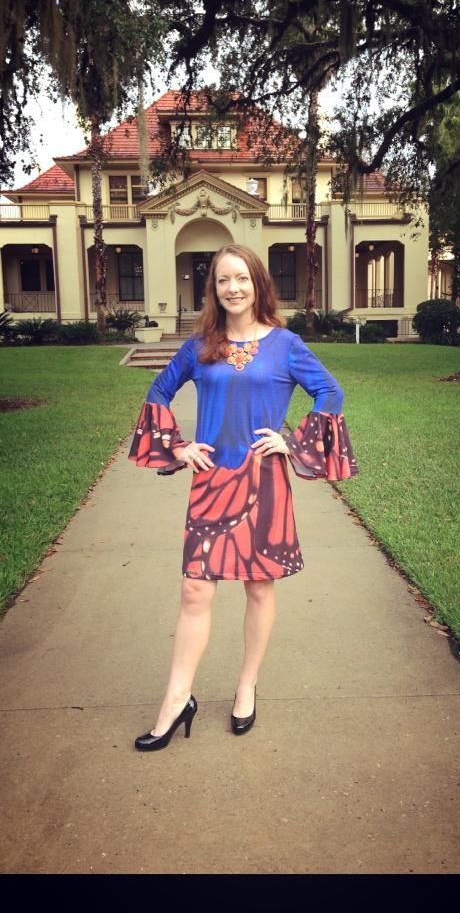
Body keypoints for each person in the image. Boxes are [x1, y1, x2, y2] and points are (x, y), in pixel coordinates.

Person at [128, 244, 358, 750]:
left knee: (258, 588)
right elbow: (158, 392)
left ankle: (246, 686)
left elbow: (331, 393)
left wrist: (292, 441)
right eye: (221, 280)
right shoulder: (199, 346)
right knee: (195, 590)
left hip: (264, 481)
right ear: (213, 289)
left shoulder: (285, 344)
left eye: (241, 278)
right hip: (211, 480)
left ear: (258, 284)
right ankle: (176, 701)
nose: (232, 288)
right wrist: (180, 447)